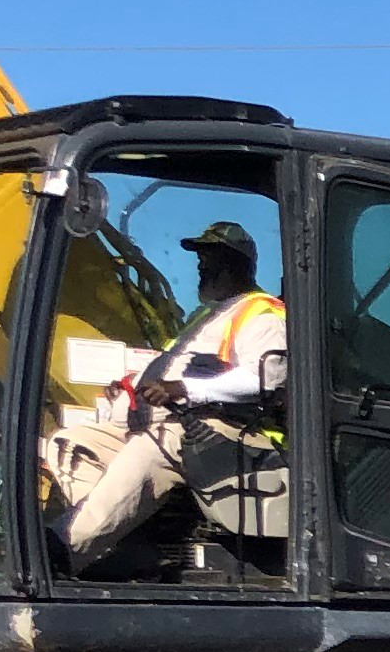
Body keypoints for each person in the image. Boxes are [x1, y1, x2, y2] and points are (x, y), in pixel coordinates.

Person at [62, 219, 289, 567]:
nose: (200, 268)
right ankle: (122, 543)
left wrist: (183, 389)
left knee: (156, 445)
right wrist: (131, 383)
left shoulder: (263, 313)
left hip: (225, 434)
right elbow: (174, 365)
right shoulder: (207, 315)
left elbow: (264, 381)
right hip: (154, 427)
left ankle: (65, 549)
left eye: (207, 261)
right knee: (72, 443)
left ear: (233, 264)